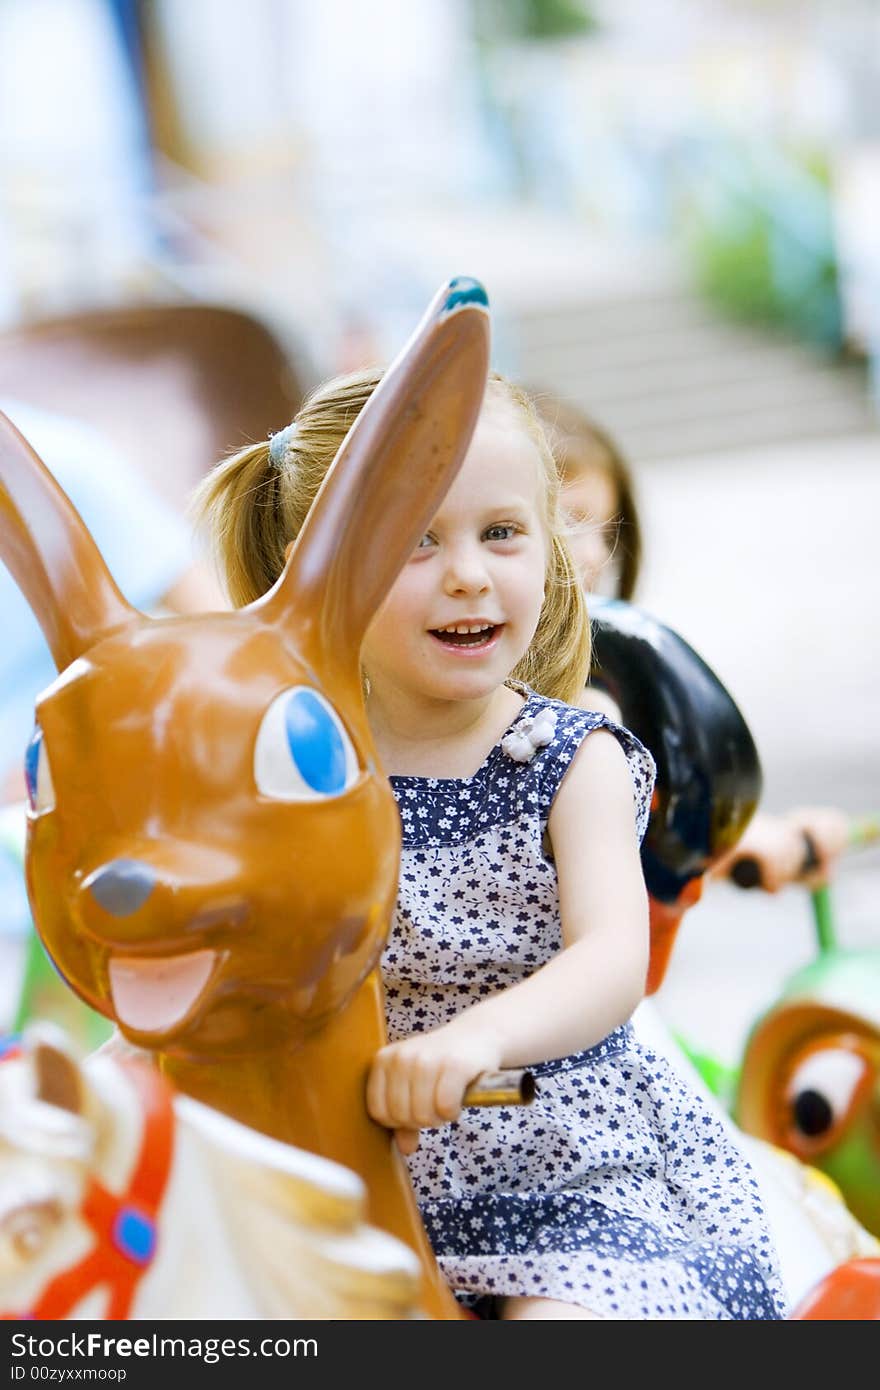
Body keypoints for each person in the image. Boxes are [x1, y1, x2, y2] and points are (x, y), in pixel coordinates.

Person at [193, 366, 785, 1320]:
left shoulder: (570, 759)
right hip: (354, 1163)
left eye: (500, 533)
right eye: (416, 539)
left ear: (550, 548)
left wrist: (475, 1040)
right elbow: (236, 952)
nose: (468, 571)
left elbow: (610, 959)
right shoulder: (301, 773)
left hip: (563, 1170)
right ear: (323, 568)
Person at [531, 390, 851, 895]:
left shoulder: (609, 684)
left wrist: (748, 835)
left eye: (604, 525)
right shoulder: (546, 713)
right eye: (569, 520)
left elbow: (654, 820)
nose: (594, 553)